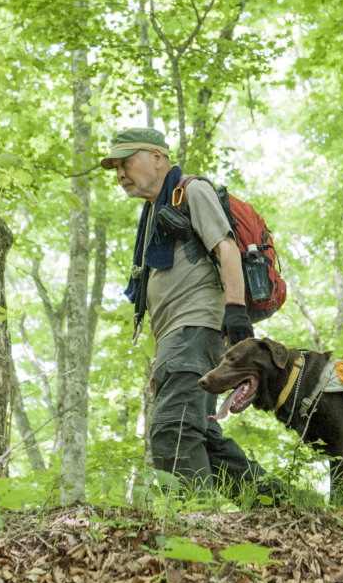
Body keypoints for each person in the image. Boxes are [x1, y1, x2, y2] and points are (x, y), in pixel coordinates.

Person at [101, 126, 275, 500]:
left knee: (172, 429)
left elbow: (226, 247)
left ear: (157, 158)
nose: (120, 174)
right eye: (115, 168)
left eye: (126, 163)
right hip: (175, 338)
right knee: (204, 438)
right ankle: (280, 503)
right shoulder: (153, 213)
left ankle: (192, 521)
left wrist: (235, 311)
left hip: (196, 327)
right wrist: (159, 359)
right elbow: (159, 294)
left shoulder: (191, 191)